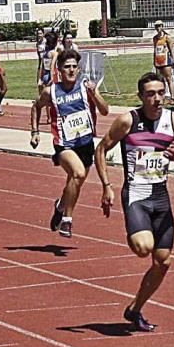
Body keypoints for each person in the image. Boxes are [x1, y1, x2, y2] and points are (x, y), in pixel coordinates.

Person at [95, 72, 174, 332]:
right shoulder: (129, 121)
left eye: (161, 93)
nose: (157, 99)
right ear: (141, 97)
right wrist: (106, 186)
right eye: (151, 94)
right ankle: (134, 229)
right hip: (137, 195)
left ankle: (134, 309)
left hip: (161, 197)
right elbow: (101, 149)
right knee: (143, 248)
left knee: (163, 261)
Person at [31, 49, 109, 237]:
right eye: (67, 67)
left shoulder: (86, 87)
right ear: (59, 69)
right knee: (78, 173)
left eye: (74, 66)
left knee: (76, 182)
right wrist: (35, 132)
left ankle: (60, 206)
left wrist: (95, 94)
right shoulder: (51, 92)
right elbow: (36, 107)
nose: (71, 70)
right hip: (64, 144)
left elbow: (105, 111)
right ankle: (67, 220)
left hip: (85, 142)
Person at [152, 20, 174, 102]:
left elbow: (171, 50)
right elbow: (155, 50)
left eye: (159, 26)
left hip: (166, 61)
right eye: (156, 26)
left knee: (169, 79)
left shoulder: (167, 37)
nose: (158, 28)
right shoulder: (155, 38)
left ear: (162, 26)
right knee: (160, 80)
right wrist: (154, 61)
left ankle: (172, 97)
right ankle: (163, 96)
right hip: (158, 61)